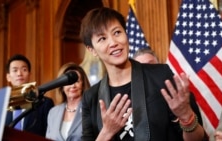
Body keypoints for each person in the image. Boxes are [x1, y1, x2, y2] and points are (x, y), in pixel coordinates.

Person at [80, 7, 207, 141]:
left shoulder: (160, 76)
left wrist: (186, 117)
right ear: (92, 49)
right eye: (102, 39)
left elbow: (199, 138)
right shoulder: (91, 98)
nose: (113, 43)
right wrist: (106, 132)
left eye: (117, 32)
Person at [5, 54, 54, 137]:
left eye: (24, 69)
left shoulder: (45, 103)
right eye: (15, 70)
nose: (19, 73)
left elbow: (50, 134)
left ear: (30, 74)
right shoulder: (0, 105)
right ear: (8, 77)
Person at [46, 62, 91, 141]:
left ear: (83, 84)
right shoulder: (53, 112)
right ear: (61, 86)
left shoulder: (91, 109)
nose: (73, 86)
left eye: (77, 81)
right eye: (69, 82)